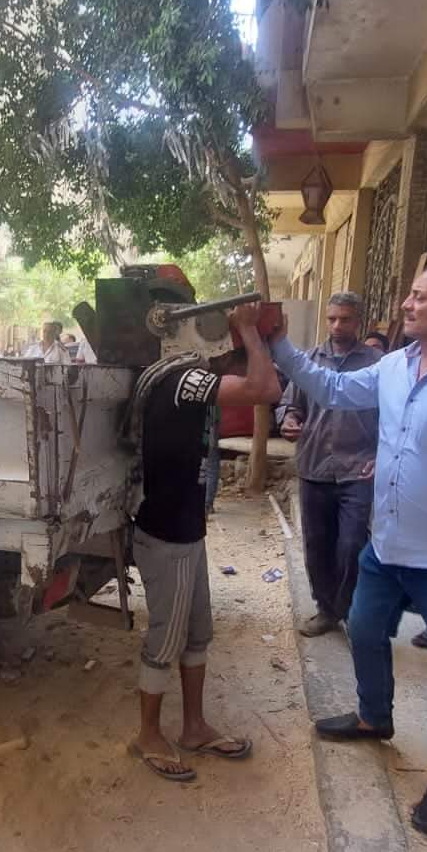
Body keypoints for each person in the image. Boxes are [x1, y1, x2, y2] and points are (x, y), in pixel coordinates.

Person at [268, 261, 427, 838]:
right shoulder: (393, 366)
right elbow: (332, 389)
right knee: (363, 630)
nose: (406, 304)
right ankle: (374, 716)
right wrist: (279, 343)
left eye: (419, 296)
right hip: (386, 550)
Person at [123, 300, 282, 781]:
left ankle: (193, 728)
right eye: (228, 349)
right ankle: (147, 735)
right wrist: (249, 330)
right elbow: (266, 389)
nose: (231, 358)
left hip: (186, 530)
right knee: (165, 639)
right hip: (166, 534)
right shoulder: (180, 378)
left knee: (197, 637)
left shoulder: (182, 378)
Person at [279, 292, 381, 637]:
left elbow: (394, 416)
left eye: (345, 319)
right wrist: (289, 419)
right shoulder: (309, 361)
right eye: (332, 318)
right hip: (315, 466)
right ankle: (326, 610)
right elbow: (290, 405)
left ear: (358, 321)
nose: (337, 325)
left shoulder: (377, 364)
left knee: (352, 545)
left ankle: (348, 608)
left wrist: (382, 455)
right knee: (317, 545)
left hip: (358, 469)